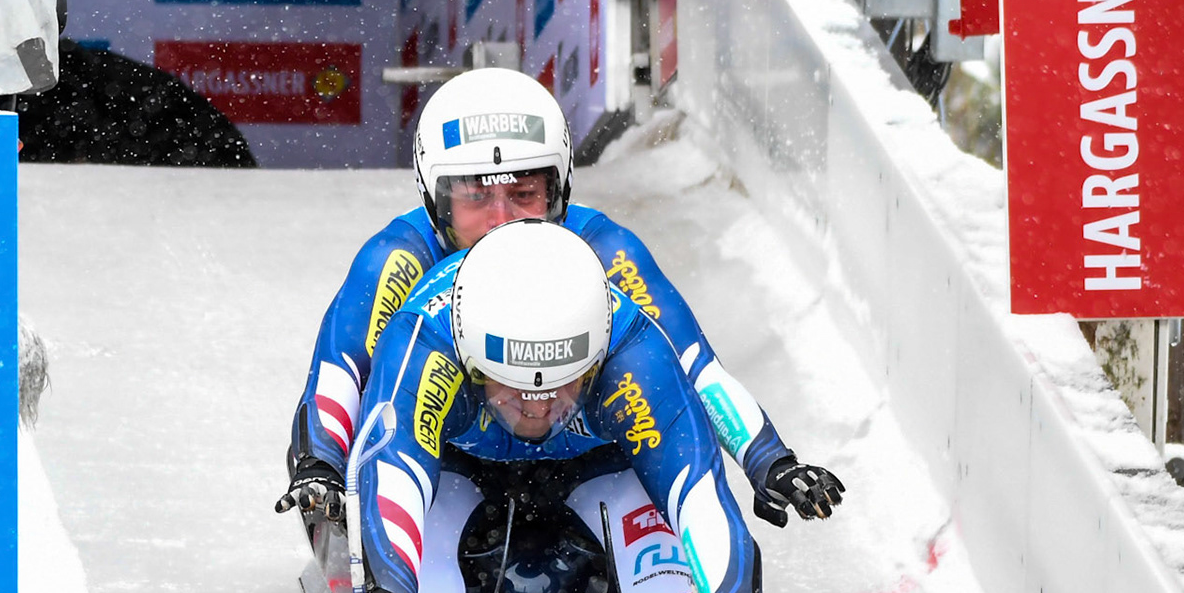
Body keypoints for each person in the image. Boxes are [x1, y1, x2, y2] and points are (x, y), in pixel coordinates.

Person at [345, 219, 800, 593]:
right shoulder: (425, 339)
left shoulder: (634, 349)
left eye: (561, 388)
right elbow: (392, 469)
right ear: (470, 362)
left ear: (597, 358)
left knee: (646, 511)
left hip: (593, 467)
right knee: (430, 514)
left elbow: (697, 495)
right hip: (462, 467)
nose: (536, 410)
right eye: (513, 388)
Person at [280, 68, 843, 536]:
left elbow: (692, 365)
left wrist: (771, 461)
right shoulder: (398, 259)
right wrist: (320, 466)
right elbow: (344, 368)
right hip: (453, 463)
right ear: (436, 198)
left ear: (559, 188)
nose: (500, 221)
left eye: (524, 194)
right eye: (475, 197)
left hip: (585, 460)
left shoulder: (607, 250)